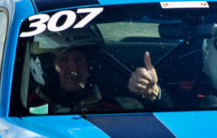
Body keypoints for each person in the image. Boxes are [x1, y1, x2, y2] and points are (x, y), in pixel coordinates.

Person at [28, 28, 157, 114]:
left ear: (91, 65)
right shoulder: (21, 109)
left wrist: (152, 94)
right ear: (45, 67)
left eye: (79, 59)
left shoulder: (125, 107)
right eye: (63, 60)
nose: (73, 67)